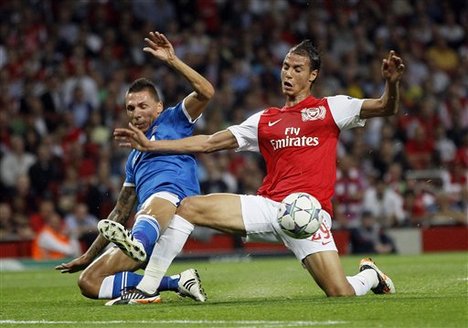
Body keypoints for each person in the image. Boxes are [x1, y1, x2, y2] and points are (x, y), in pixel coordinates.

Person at [111, 41, 405, 303]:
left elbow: (384, 107)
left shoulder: (332, 109)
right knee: (188, 207)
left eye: (297, 69)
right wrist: (152, 146)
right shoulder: (265, 120)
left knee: (340, 292)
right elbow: (211, 142)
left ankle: (370, 276)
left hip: (309, 216)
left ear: (313, 75)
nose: (288, 74)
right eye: (285, 67)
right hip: (269, 207)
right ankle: (148, 289)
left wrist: (391, 84)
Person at [55, 31, 214, 304]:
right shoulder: (134, 159)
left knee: (159, 197)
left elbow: (207, 91)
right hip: (147, 226)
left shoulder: (174, 120)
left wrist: (173, 60)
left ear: (159, 107)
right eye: (130, 108)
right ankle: (176, 281)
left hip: (176, 206)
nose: (136, 112)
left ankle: (138, 244)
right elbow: (120, 211)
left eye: (143, 105)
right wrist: (87, 255)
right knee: (89, 283)